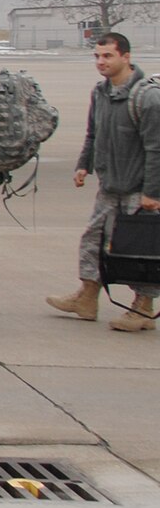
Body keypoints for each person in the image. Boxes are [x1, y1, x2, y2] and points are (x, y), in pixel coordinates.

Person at [47, 32, 160, 331]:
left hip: (139, 189)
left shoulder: (148, 98)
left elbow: (156, 148)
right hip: (110, 186)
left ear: (126, 56)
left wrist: (152, 192)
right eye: (97, 56)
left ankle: (143, 308)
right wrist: (84, 165)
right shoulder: (100, 92)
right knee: (93, 241)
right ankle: (87, 296)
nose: (101, 62)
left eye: (108, 56)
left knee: (140, 251)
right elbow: (93, 134)